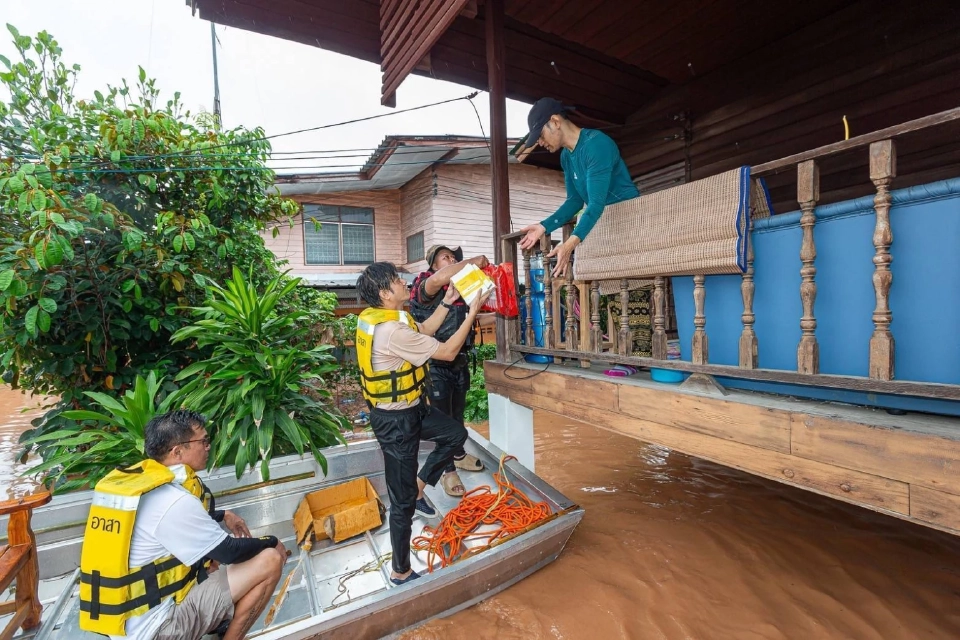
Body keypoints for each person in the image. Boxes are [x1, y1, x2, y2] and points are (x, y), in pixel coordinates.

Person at [79, 410, 286, 640]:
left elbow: (169, 522)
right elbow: (229, 552)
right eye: (203, 441)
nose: (208, 446)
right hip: (159, 631)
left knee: (210, 564)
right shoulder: (174, 500)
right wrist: (272, 541)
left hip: (128, 628)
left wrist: (223, 514)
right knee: (269, 559)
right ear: (177, 452)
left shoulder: (144, 487)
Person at [355, 262, 488, 586]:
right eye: (397, 281)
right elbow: (446, 350)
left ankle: (419, 484)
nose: (405, 283)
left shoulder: (389, 319)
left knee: (455, 433)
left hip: (413, 409)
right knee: (401, 506)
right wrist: (472, 310)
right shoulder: (392, 331)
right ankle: (401, 571)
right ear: (386, 294)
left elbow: (426, 331)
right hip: (394, 421)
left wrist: (448, 299)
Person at [517, 97, 639, 278]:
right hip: (606, 225)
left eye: (541, 135)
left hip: (630, 221)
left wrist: (569, 244)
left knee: (638, 294)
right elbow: (574, 201)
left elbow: (596, 203)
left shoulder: (596, 144)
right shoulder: (566, 156)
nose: (540, 143)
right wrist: (544, 226)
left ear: (555, 122)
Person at [409, 244, 490, 498]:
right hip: (436, 364)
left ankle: (458, 454)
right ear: (432, 265)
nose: (453, 260)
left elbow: (475, 319)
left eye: (455, 257)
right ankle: (447, 471)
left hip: (459, 362)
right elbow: (441, 278)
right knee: (444, 423)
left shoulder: (461, 290)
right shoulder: (424, 286)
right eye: (446, 257)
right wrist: (475, 260)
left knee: (457, 416)